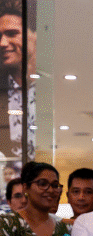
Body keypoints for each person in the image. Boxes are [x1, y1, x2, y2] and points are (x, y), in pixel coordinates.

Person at [0, 1, 36, 163]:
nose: (2, 43)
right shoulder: (3, 91)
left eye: (12, 33)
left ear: (34, 35)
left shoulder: (48, 91)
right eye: (0, 36)